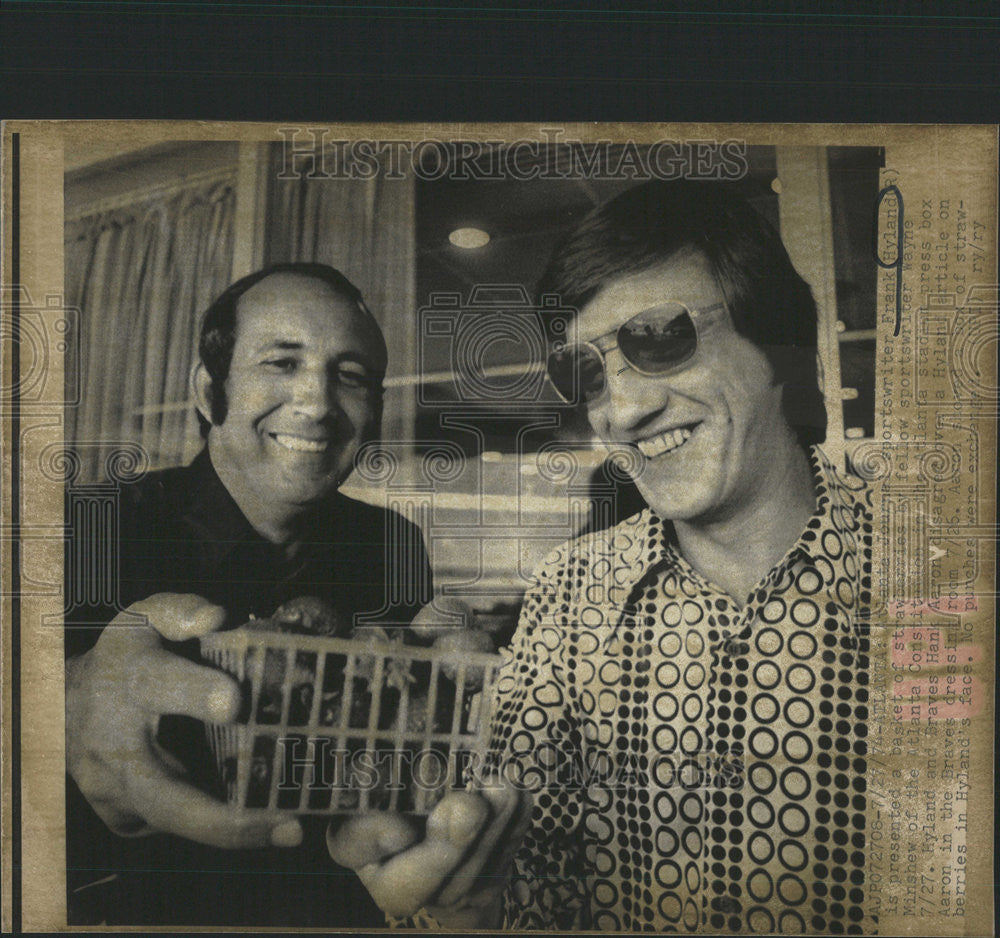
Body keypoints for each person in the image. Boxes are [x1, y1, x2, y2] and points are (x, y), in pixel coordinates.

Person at [329, 181, 875, 934]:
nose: (619, 411)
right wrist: (469, 904)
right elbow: (528, 878)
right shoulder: (571, 591)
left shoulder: (933, 572)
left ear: (778, 338)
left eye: (658, 340)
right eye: (584, 374)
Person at [65, 263, 433, 926]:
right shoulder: (86, 528)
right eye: (281, 363)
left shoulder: (393, 547)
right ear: (210, 391)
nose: (317, 403)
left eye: (350, 375)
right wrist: (61, 708)